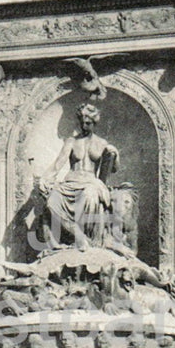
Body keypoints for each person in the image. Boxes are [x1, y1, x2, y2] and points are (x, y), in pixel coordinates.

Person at [39, 102, 119, 249]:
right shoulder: (71, 141)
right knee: (51, 201)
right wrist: (45, 178)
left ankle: (90, 241)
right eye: (82, 122)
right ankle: (79, 236)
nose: (84, 126)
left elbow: (112, 169)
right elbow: (58, 164)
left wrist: (114, 154)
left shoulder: (102, 143)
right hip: (70, 182)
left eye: (88, 122)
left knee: (90, 196)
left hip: (90, 183)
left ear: (94, 122)